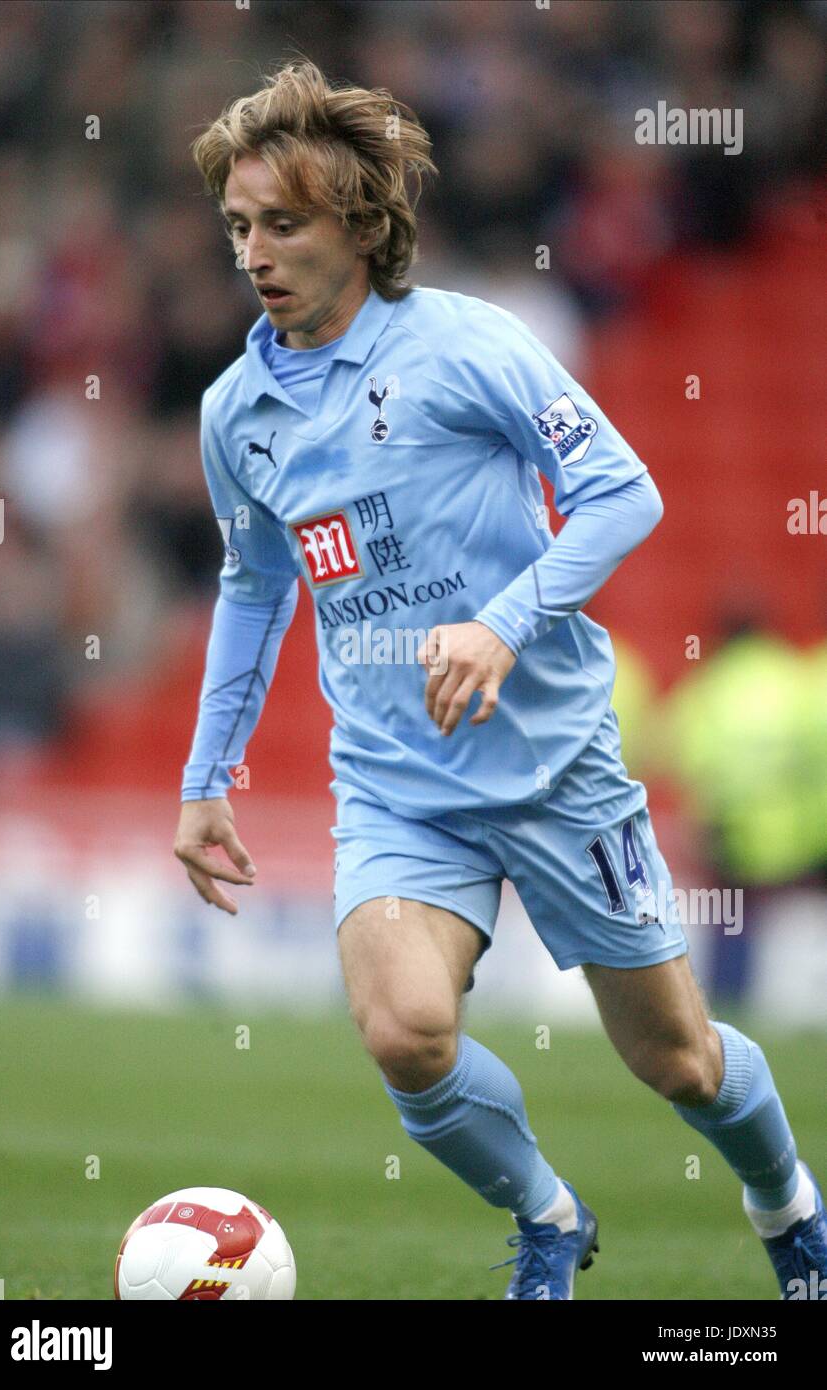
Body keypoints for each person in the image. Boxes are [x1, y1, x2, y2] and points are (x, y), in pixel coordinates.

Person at [174, 60, 826, 1300]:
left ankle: (787, 1206)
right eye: (239, 227)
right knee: (403, 1032)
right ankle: (546, 1218)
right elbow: (253, 589)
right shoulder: (232, 412)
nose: (255, 250)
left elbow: (623, 491)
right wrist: (207, 777)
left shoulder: (468, 345)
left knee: (679, 1062)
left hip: (551, 763)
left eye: (285, 222)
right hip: (393, 782)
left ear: (360, 225)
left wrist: (503, 623)